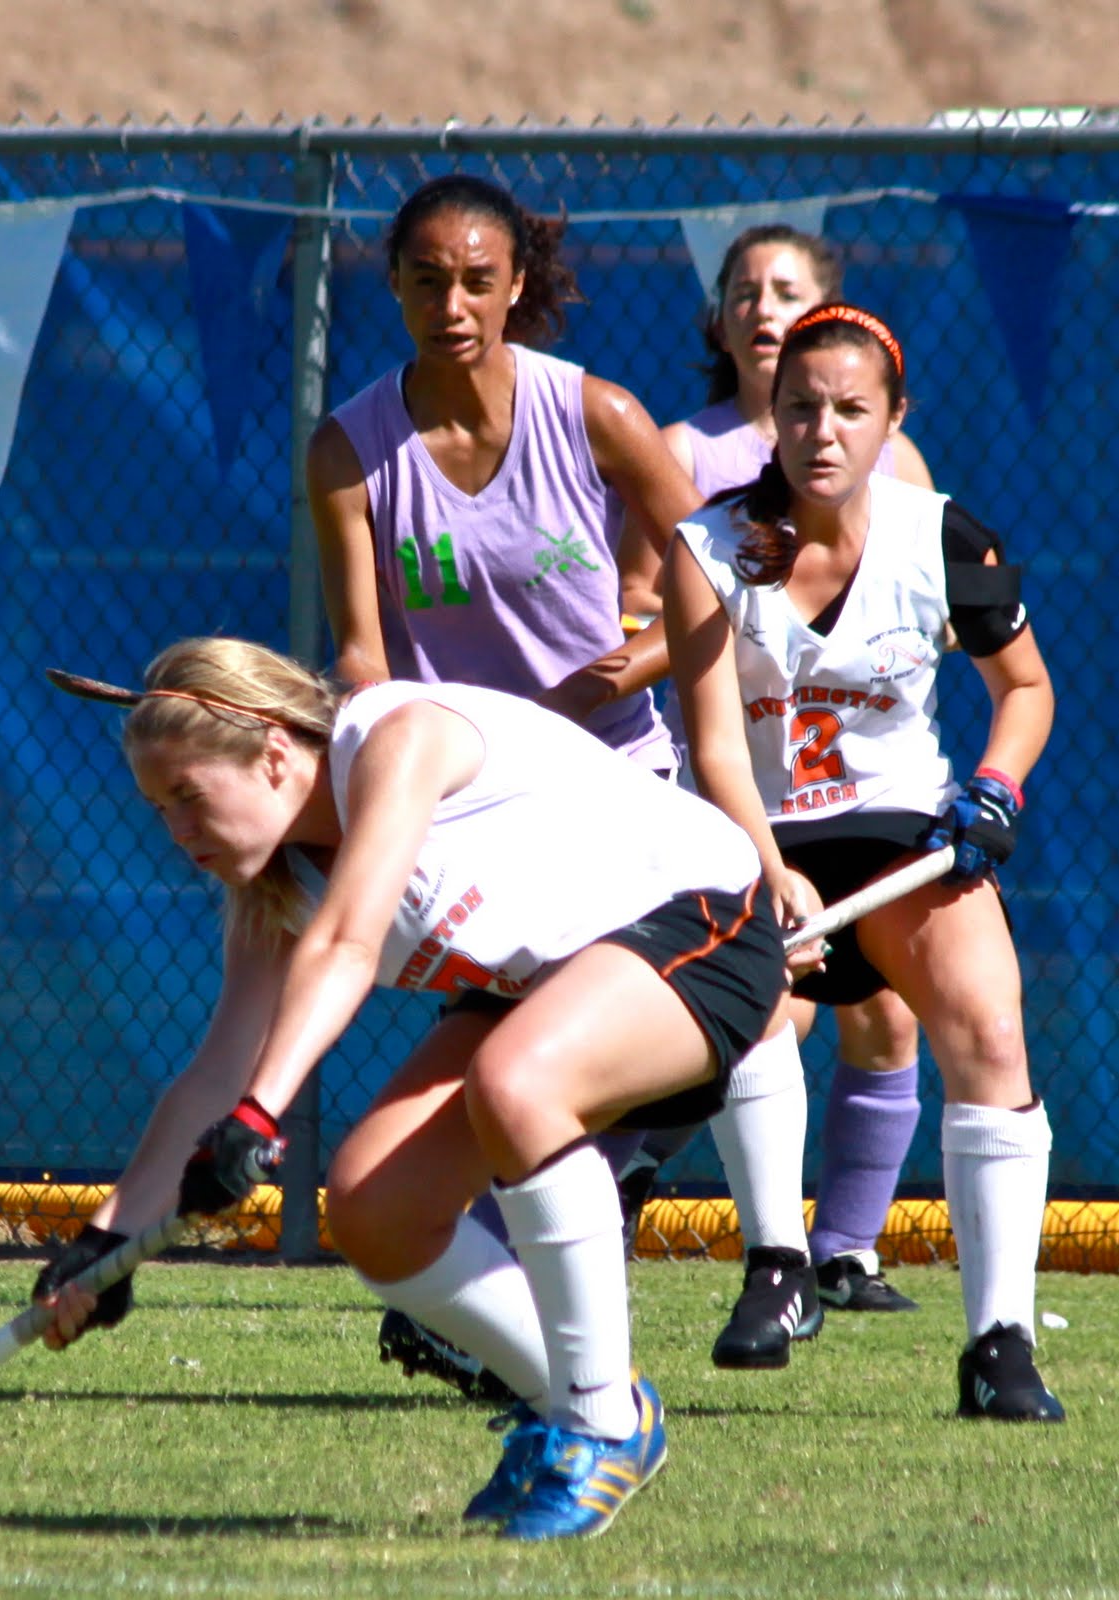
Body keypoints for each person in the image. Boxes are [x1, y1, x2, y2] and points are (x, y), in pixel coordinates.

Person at [33, 636, 797, 1538]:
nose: (179, 835)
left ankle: (601, 1429)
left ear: (275, 755)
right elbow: (219, 1066)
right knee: (372, 1204)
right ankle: (572, 1402)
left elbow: (351, 945)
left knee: (516, 1084)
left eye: (190, 799)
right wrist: (107, 1239)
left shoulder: (398, 736)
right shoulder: (277, 887)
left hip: (703, 919)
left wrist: (258, 1116)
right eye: (161, 811)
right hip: (546, 981)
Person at [309, 174, 816, 1384]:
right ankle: (516, 1333)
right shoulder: (348, 448)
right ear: (392, 286)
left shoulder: (592, 412)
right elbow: (363, 656)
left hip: (622, 800)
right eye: (426, 279)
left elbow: (723, 570)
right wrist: (358, 751)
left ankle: (780, 1265)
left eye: (477, 278)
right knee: (490, 1098)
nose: (452, 303)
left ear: (517, 283)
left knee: (696, 1039)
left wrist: (620, 664)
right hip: (471, 816)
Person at [664, 302, 1063, 1421]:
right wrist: (763, 863)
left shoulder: (945, 539)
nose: (821, 432)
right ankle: (777, 1265)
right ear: (769, 422)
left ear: (892, 420)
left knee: (987, 1026)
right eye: (798, 408)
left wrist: (993, 786)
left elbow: (1023, 691)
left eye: (849, 410)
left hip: (901, 833)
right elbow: (708, 744)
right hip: (758, 829)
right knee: (744, 1012)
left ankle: (999, 1344)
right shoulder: (705, 548)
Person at [622, 225, 936, 1314]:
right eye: (742, 290)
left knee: (886, 1013)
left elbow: (914, 604)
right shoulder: (692, 454)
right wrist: (722, 633)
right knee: (761, 1003)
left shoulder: (892, 468)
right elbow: (650, 603)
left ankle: (845, 1247)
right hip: (745, 787)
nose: (762, 307)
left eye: (786, 290)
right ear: (717, 321)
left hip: (861, 787)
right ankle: (706, 1212)